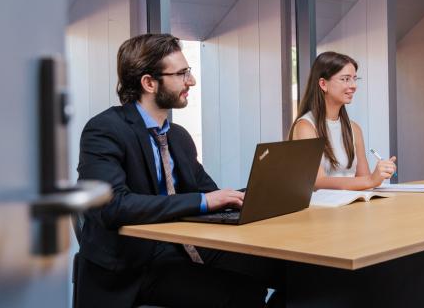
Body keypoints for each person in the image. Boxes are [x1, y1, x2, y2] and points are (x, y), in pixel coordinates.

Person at [76, 34, 275, 307]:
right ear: (149, 82)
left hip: (183, 249)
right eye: (182, 74)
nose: (190, 81)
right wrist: (204, 201)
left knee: (291, 272)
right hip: (134, 266)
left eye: (188, 72)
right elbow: (112, 206)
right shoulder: (105, 130)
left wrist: (253, 196)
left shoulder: (178, 136)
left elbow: (210, 193)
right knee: (243, 292)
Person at [289, 51, 396, 190]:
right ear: (323, 84)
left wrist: (378, 175)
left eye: (354, 79)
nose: (353, 86)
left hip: (351, 207)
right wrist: (371, 180)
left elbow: (363, 181)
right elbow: (317, 181)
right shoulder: (305, 127)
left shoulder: (354, 129)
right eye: (345, 79)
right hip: (322, 209)